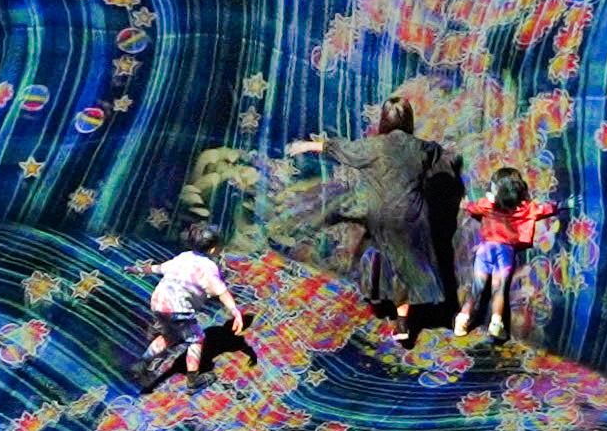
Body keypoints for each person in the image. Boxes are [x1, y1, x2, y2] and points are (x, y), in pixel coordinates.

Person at [285, 95, 445, 343]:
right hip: (412, 215)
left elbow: (340, 148)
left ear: (384, 120)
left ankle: (394, 313)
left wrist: (306, 146)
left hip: (381, 217)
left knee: (390, 261)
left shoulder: (372, 147)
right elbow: (437, 152)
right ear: (409, 120)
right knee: (405, 264)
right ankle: (402, 319)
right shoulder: (424, 149)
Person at [140, 225, 248, 389]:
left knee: (170, 335)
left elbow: (159, 268)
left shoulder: (184, 256)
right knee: (196, 339)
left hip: (159, 303)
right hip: (178, 309)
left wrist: (139, 269)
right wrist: (235, 311)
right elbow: (222, 292)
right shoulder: (208, 267)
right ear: (213, 249)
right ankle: (193, 381)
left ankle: (141, 364)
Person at [455, 167, 540, 340]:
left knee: (476, 288)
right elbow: (543, 209)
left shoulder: (486, 204)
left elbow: (471, 207)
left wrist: (465, 204)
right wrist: (563, 205)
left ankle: (462, 319)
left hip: (485, 251)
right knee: (499, 290)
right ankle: (495, 323)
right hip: (505, 253)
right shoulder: (522, 207)